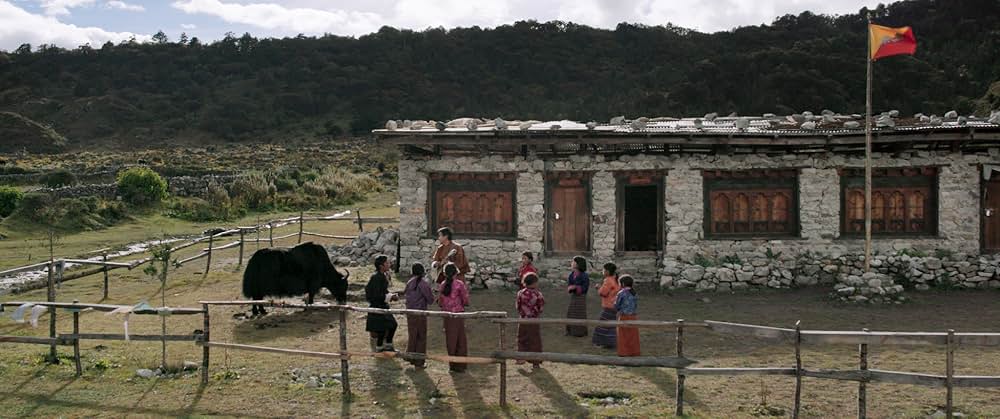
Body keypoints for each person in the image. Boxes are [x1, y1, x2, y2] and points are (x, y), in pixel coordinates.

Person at [437, 262, 470, 372]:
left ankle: (452, 365)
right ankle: (460, 366)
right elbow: (465, 300)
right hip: (458, 315)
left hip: (447, 316)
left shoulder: (442, 284)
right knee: (460, 340)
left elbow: (440, 302)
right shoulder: (459, 284)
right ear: (456, 273)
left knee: (450, 340)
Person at [404, 262, 434, 368]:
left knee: (412, 335)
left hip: (410, 312)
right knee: (421, 336)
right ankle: (419, 361)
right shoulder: (423, 284)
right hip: (420, 313)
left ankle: (410, 356)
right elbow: (430, 300)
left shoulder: (409, 282)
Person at [365, 254, 398, 352]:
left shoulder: (382, 276)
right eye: (387, 263)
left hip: (382, 305)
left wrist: (390, 295)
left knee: (392, 325)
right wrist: (390, 297)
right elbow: (376, 294)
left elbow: (383, 291)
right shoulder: (376, 277)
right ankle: (380, 347)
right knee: (382, 328)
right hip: (377, 305)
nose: (389, 264)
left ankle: (388, 345)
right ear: (381, 266)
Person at [515, 272, 545, 368]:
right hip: (534, 320)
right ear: (534, 283)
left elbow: (518, 306)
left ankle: (520, 358)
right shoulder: (538, 294)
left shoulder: (520, 293)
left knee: (522, 338)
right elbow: (541, 307)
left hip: (523, 319)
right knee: (534, 340)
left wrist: (523, 312)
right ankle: (535, 361)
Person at [592, 262, 620, 349]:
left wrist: (598, 288)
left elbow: (603, 293)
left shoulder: (608, 280)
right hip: (615, 306)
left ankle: (600, 342)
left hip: (608, 306)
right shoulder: (616, 280)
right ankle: (611, 342)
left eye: (603, 270)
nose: (602, 271)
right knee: (611, 326)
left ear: (607, 271)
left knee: (602, 325)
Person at [615, 275, 640, 357]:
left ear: (622, 284)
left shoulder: (621, 293)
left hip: (623, 316)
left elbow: (617, 305)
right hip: (633, 316)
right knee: (633, 336)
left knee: (623, 336)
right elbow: (636, 305)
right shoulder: (634, 293)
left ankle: (623, 352)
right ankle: (634, 352)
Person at [565, 256, 590, 337]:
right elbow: (569, 284)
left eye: (574, 262)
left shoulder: (584, 275)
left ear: (578, 264)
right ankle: (570, 330)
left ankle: (579, 332)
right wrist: (570, 288)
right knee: (571, 313)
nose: (572, 263)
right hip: (574, 296)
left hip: (581, 297)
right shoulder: (571, 275)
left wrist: (576, 287)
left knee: (579, 314)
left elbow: (585, 287)